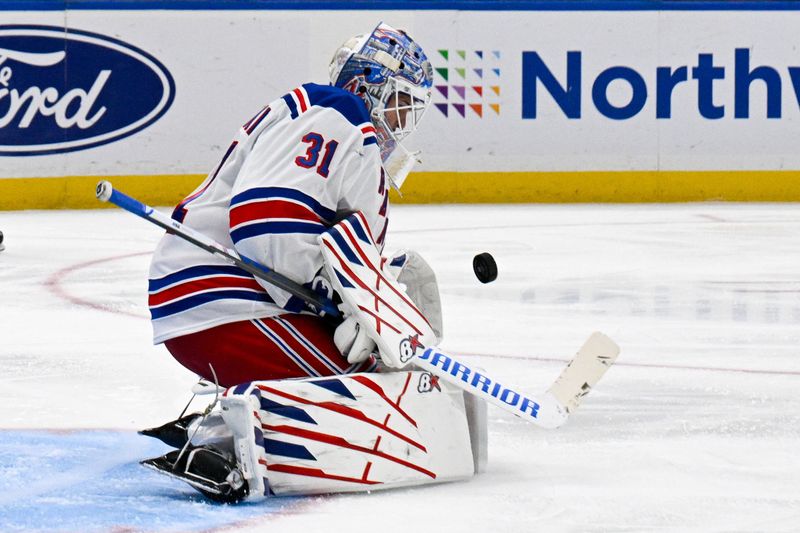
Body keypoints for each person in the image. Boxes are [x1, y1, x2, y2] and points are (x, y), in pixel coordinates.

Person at [146, 22, 434, 388]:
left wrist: (365, 296)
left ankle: (230, 431)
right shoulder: (337, 111)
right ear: (368, 85)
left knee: (372, 371)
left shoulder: (342, 131)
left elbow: (322, 246)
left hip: (221, 303)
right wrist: (342, 299)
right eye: (400, 103)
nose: (403, 121)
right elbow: (265, 225)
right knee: (377, 391)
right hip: (223, 300)